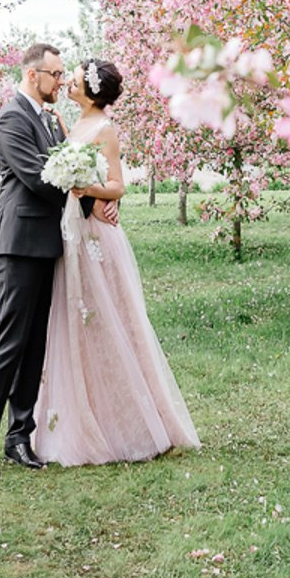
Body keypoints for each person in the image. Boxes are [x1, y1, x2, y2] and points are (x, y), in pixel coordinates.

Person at [32, 57, 200, 466]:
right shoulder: (73, 125)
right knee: (78, 319)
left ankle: (131, 422)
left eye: (72, 81)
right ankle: (78, 410)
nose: (67, 85)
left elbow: (117, 186)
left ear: (90, 91)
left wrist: (82, 187)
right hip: (73, 232)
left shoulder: (105, 128)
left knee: (109, 319)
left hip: (96, 238)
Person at [0, 41, 117, 478]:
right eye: (56, 74)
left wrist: (97, 203)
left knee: (35, 349)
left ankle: (19, 437)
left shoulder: (49, 119)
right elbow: (39, 176)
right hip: (17, 244)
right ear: (35, 76)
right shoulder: (12, 118)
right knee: (9, 345)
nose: (62, 81)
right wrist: (86, 189)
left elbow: (67, 169)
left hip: (48, 243)